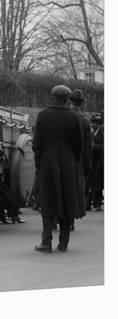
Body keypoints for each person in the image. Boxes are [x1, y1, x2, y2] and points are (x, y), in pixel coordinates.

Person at [32, 85, 85, 253]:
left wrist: (40, 161)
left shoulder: (43, 115)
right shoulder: (74, 117)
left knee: (48, 199)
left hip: (48, 159)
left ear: (52, 97)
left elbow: (37, 144)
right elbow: (79, 145)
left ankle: (46, 241)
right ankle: (64, 242)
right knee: (67, 198)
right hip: (68, 160)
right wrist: (73, 160)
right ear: (67, 98)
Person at [68, 89, 92, 229]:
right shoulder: (85, 121)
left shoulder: (66, 115)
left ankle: (55, 219)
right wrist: (87, 166)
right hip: (79, 161)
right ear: (81, 103)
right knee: (75, 191)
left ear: (70, 101)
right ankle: (70, 221)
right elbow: (88, 147)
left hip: (64, 157)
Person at [89, 113, 104, 211]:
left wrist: (94, 146)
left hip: (99, 161)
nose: (92, 125)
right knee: (93, 183)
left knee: (97, 184)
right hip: (92, 161)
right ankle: (93, 203)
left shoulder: (102, 133)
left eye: (94, 123)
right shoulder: (92, 133)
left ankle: (97, 204)